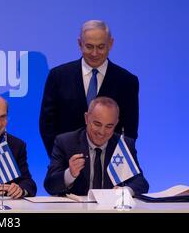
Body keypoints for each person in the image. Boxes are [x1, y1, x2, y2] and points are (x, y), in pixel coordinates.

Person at [39, 20, 139, 157]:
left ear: (111, 44)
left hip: (109, 168)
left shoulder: (127, 82)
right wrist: (59, 157)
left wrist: (116, 164)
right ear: (80, 44)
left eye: (101, 47)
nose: (95, 53)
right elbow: (47, 125)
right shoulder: (58, 76)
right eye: (89, 46)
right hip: (65, 165)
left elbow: (129, 130)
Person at [44, 96, 149, 196]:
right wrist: (70, 174)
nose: (102, 132)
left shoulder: (123, 145)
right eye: (97, 124)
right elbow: (50, 185)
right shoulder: (65, 142)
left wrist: (125, 191)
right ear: (86, 118)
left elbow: (141, 182)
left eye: (109, 126)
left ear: (116, 123)